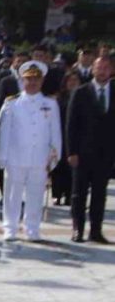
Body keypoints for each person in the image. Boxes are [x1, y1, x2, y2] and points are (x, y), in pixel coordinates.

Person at [0, 60, 62, 242]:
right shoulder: (12, 103)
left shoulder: (50, 103)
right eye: (28, 79)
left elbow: (55, 132)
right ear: (22, 81)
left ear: (42, 81)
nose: (32, 83)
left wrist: (55, 155)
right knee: (12, 195)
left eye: (36, 79)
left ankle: (32, 228)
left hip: (39, 158)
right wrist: (1, 155)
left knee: (35, 194)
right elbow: (5, 132)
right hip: (15, 156)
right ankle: (10, 227)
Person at [65, 52, 115, 243]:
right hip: (82, 153)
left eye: (105, 68)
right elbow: (71, 124)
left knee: (100, 194)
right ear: (92, 69)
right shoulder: (81, 92)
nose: (102, 72)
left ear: (110, 70)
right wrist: (72, 152)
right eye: (98, 68)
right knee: (78, 194)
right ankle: (78, 229)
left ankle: (96, 231)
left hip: (106, 153)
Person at [52, 71, 82, 205]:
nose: (73, 83)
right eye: (70, 80)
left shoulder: (84, 97)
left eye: (75, 80)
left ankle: (70, 195)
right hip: (60, 135)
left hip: (76, 137)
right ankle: (57, 194)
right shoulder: (58, 99)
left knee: (72, 168)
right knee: (58, 167)